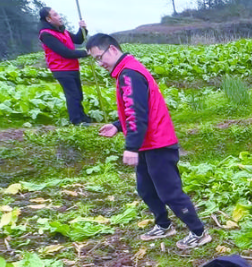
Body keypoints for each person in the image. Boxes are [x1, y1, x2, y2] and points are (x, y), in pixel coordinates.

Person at [88, 34, 211, 249]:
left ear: (113, 50)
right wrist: (118, 125)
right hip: (148, 142)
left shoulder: (129, 74)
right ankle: (164, 225)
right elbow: (136, 108)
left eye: (100, 57)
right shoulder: (127, 71)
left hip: (157, 143)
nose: (100, 64)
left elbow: (138, 113)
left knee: (169, 192)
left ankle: (199, 232)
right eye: (96, 60)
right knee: (145, 188)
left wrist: (131, 147)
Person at [38, 7, 91, 125]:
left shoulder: (63, 31)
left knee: (78, 94)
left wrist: (82, 28)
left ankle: (82, 117)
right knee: (73, 95)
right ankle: (76, 121)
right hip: (61, 69)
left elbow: (78, 40)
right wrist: (86, 53)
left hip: (72, 67)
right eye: (55, 15)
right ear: (48, 19)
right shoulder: (46, 34)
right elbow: (65, 52)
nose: (59, 17)